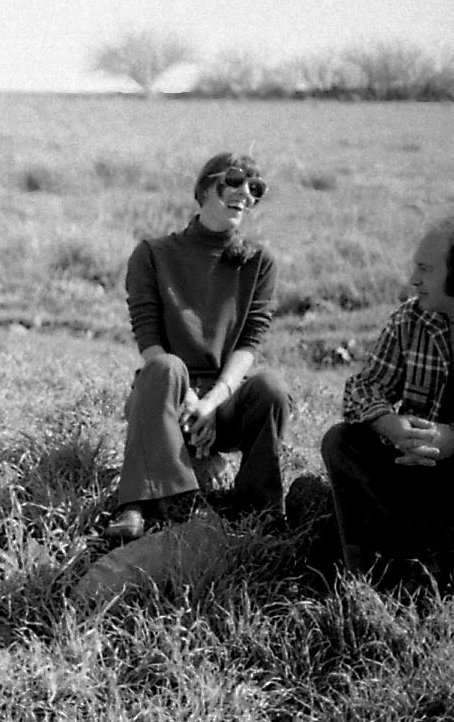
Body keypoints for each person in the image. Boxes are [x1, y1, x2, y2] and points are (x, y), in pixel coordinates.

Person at [104, 152, 292, 541]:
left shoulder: (260, 262)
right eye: (235, 181)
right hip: (166, 396)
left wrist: (212, 403)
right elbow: (147, 335)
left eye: (255, 188)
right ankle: (139, 504)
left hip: (225, 401)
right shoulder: (152, 254)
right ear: (205, 188)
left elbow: (251, 340)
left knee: (271, 387)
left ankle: (260, 511)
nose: (245, 193)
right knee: (166, 367)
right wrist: (190, 397)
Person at [321, 216, 454, 582]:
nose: (414, 279)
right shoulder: (410, 320)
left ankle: (433, 562)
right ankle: (369, 578)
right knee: (341, 441)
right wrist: (389, 424)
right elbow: (361, 388)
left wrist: (450, 440)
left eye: (426, 269)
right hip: (413, 472)